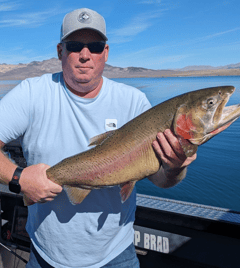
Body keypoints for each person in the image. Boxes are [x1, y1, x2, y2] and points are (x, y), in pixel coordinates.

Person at [0, 8, 197, 268]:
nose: (85, 55)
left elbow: (160, 179)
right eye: (74, 46)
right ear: (60, 52)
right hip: (45, 256)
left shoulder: (133, 102)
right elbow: (17, 176)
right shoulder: (31, 93)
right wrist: (19, 178)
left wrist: (174, 168)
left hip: (116, 256)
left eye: (94, 46)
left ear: (105, 53)